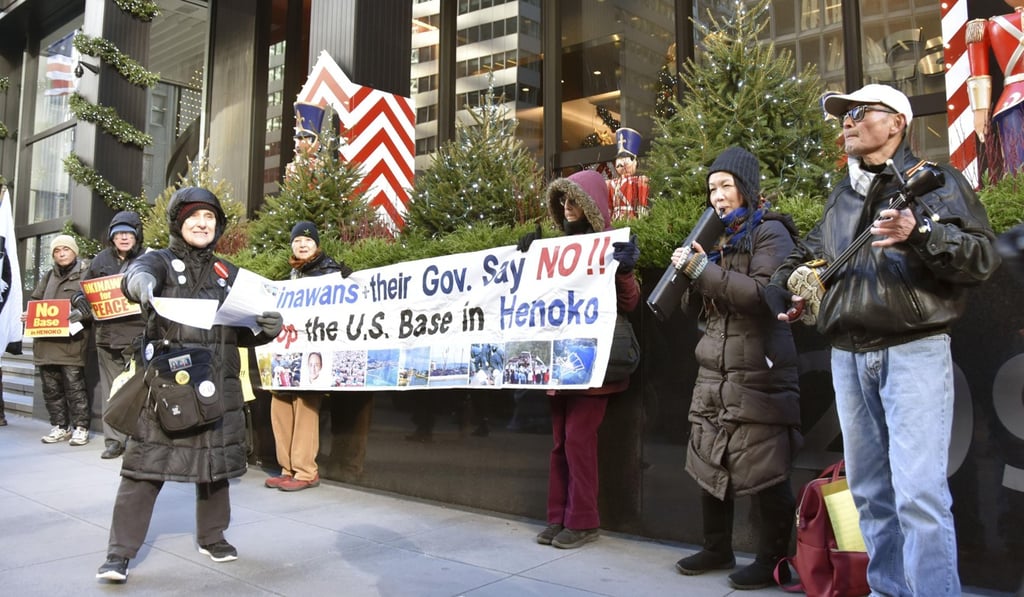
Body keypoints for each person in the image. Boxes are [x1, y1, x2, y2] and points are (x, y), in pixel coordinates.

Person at [765, 84, 1001, 596]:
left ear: (896, 122)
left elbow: (982, 259)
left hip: (913, 349)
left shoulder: (938, 183)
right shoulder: (843, 195)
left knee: (919, 494)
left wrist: (920, 233)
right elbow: (806, 255)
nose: (846, 122)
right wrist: (791, 286)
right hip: (848, 355)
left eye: (858, 113)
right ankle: (887, 590)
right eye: (842, 116)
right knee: (870, 492)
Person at [95, 187, 283, 583]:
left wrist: (266, 329)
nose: (203, 224)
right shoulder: (158, 260)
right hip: (169, 382)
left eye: (210, 218)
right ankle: (119, 553)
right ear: (179, 223)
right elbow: (137, 274)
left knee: (215, 465)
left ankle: (212, 537)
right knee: (145, 467)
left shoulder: (228, 273)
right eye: (195, 217)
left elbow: (244, 328)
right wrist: (141, 287)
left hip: (217, 380)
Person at [668, 147, 802, 590]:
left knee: (765, 465)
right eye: (712, 188)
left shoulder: (772, 233)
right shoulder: (713, 237)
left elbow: (763, 295)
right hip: (716, 368)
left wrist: (702, 269)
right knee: (709, 456)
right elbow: (700, 307)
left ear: (746, 187)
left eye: (725, 185)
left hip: (758, 368)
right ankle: (716, 546)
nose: (718, 196)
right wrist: (685, 276)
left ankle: (773, 559)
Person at [518, 169, 640, 549]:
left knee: (577, 440)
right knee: (561, 442)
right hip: (559, 362)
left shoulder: (610, 246)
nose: (568, 208)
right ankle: (559, 516)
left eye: (574, 200)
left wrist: (626, 270)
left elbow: (631, 303)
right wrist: (525, 257)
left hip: (593, 362)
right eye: (563, 202)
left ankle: (583, 519)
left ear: (589, 206)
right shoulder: (551, 250)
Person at [264, 221, 351, 492]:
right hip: (288, 350)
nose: (302, 245)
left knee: (305, 407)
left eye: (307, 240)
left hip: (314, 351)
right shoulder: (292, 275)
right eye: (297, 241)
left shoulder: (331, 271)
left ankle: (305, 471)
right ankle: (287, 468)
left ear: (316, 244)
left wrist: (348, 278)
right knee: (280, 404)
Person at [84, 211, 146, 459]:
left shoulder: (149, 259)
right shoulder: (100, 261)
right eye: (119, 233)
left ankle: (137, 439)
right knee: (111, 390)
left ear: (136, 235)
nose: (123, 237)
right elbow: (85, 291)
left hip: (138, 336)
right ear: (112, 236)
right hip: (107, 336)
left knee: (137, 390)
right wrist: (80, 303)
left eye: (128, 233)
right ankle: (114, 441)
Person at [23, 235, 92, 446]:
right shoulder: (48, 275)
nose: (61, 253)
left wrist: (79, 314)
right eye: (57, 251)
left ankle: (81, 427)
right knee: (51, 389)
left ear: (74, 251)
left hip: (71, 343)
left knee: (74, 387)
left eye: (66, 249)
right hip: (45, 343)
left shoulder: (85, 274)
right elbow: (35, 301)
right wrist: (28, 315)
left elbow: (91, 308)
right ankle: (60, 426)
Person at [966, 1, 1024, 177]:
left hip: (1010, 99)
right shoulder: (986, 26)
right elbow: (978, 72)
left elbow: (979, 73)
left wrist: (980, 111)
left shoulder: (986, 26)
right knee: (1016, 166)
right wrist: (980, 111)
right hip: (1011, 101)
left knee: (1016, 166)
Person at [606, 128, 650, 220]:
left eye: (626, 158)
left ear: (635, 162)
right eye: (619, 158)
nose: (622, 162)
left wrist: (642, 220)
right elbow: (609, 205)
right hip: (615, 219)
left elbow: (642, 202)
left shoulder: (639, 180)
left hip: (630, 218)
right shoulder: (610, 183)